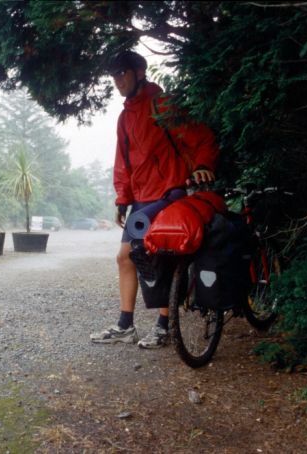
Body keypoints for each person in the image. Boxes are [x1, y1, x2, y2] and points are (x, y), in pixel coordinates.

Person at [90, 50, 219, 348]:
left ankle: (164, 326)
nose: (117, 80)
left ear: (139, 72)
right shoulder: (124, 118)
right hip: (140, 200)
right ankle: (125, 325)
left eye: (122, 73)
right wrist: (122, 198)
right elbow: (123, 161)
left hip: (169, 193)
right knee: (125, 257)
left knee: (162, 257)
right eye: (114, 75)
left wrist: (202, 166)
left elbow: (200, 138)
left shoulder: (163, 104)